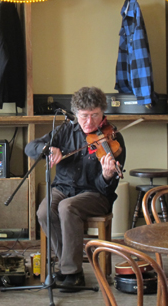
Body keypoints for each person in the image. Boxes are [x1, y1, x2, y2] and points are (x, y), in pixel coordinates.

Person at [25, 86, 126, 290]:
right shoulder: (64, 131)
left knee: (67, 207)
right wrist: (47, 150)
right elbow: (30, 147)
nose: (89, 122)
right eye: (84, 116)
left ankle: (73, 272)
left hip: (95, 194)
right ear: (76, 114)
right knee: (44, 211)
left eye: (95, 115)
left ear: (102, 112)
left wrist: (107, 175)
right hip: (63, 188)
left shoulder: (113, 139)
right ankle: (66, 266)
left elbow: (106, 188)